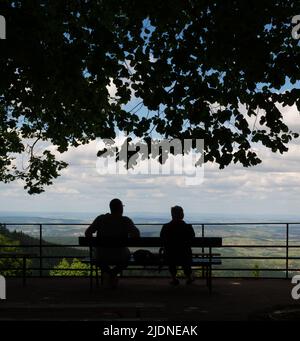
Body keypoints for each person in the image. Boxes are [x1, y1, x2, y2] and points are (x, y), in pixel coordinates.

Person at [85, 198, 140, 288]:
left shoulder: (101, 219)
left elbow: (88, 233)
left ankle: (109, 274)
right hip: (121, 255)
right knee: (128, 257)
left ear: (110, 208)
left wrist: (95, 244)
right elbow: (137, 235)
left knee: (98, 258)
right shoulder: (126, 221)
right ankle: (113, 274)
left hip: (102, 255)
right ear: (121, 209)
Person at [160, 206, 195, 286]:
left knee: (170, 254)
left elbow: (162, 239)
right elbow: (192, 240)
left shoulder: (166, 227)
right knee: (186, 254)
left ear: (172, 215)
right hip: (185, 256)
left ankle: (174, 278)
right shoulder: (188, 227)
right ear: (182, 215)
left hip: (170, 256)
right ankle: (189, 277)